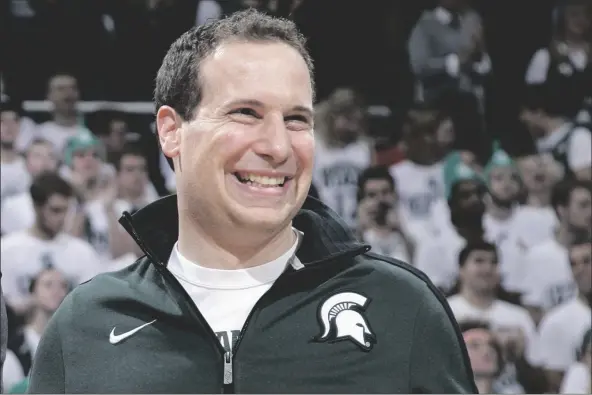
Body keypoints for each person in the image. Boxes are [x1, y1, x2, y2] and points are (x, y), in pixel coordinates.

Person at [28, 9, 477, 394]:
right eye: (247, 113)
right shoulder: (85, 325)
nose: (279, 147)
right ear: (171, 130)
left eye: (297, 119)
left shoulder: (401, 307)